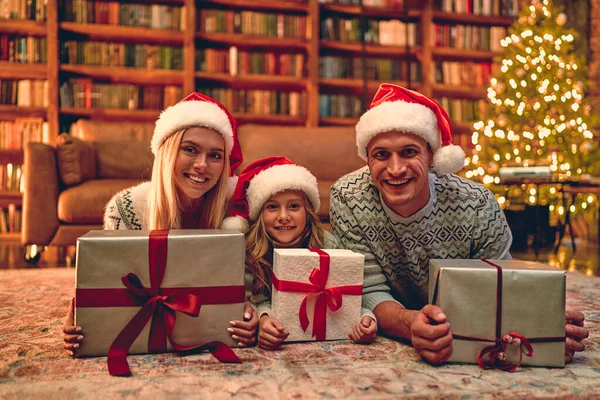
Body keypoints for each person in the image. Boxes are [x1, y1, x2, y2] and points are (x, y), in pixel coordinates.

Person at [330, 83, 589, 365]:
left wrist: (539, 324)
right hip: (398, 311)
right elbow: (366, 289)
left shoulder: (476, 204)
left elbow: (501, 284)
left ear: (431, 156)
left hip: (466, 310)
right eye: (381, 155)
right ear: (367, 159)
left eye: (408, 152)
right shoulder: (347, 197)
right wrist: (408, 323)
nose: (395, 169)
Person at [63, 92, 258, 355]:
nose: (202, 165)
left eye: (215, 155)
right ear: (167, 153)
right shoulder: (126, 209)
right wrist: (78, 313)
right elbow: (110, 281)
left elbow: (251, 283)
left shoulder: (237, 210)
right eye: (190, 149)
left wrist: (251, 310)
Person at [222, 156, 378, 349]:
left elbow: (350, 295)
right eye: (272, 207)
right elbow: (249, 302)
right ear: (259, 214)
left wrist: (366, 319)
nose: (284, 217)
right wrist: (263, 318)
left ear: (308, 211)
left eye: (294, 206)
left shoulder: (327, 245)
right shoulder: (252, 250)